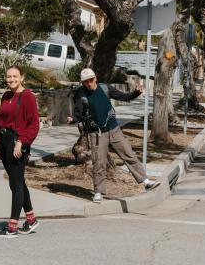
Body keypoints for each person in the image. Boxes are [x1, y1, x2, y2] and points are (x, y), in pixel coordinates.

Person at [66, 68, 160, 203]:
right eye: (85, 82)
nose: (89, 84)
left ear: (95, 78)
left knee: (129, 154)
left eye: (91, 80)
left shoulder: (105, 88)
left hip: (114, 129)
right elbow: (78, 113)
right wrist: (72, 119)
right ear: (82, 82)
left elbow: (123, 97)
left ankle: (145, 181)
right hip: (97, 133)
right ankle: (98, 192)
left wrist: (135, 93)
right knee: (99, 163)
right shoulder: (81, 95)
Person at [0, 66, 40, 238]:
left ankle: (12, 226)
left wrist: (21, 142)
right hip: (4, 143)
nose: (11, 79)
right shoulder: (6, 95)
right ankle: (31, 220)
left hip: (17, 143)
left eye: (15, 76)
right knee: (17, 181)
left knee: (16, 184)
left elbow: (34, 125)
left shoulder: (27, 97)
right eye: (9, 76)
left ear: (22, 77)